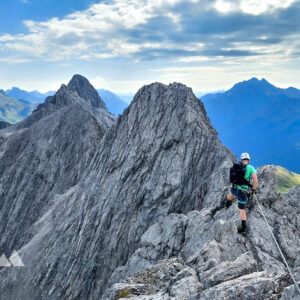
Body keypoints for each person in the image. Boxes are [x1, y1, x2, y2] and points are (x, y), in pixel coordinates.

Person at [225, 152, 258, 235]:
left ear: (241, 160)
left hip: (234, 187)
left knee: (231, 193)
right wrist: (253, 190)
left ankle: (227, 204)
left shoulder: (236, 166)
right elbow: (255, 181)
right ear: (249, 160)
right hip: (243, 191)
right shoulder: (251, 168)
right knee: (241, 209)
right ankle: (243, 227)